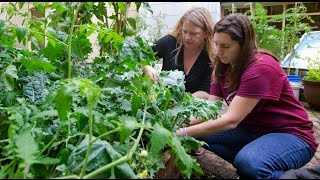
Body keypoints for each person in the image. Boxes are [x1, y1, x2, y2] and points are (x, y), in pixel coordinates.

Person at [176, 13, 319, 179]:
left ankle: (262, 166)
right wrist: (177, 124)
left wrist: (182, 132)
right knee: (202, 138)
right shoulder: (222, 66)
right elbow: (209, 109)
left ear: (243, 45)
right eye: (216, 44)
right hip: (255, 130)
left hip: (292, 135)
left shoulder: (260, 68)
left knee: (250, 163)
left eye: (226, 46)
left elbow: (231, 120)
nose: (218, 51)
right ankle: (255, 162)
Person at [143, 7, 216, 99]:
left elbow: (206, 92)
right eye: (184, 31)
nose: (187, 37)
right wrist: (147, 67)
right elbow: (140, 55)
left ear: (206, 33)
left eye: (193, 33)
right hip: (162, 106)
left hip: (192, 110)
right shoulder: (169, 42)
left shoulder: (210, 57)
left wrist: (181, 101)